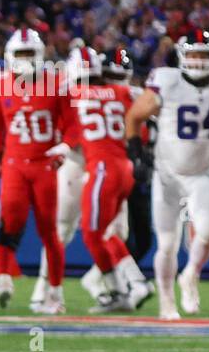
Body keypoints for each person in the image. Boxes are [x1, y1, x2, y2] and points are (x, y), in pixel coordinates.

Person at [126, 30, 209, 318]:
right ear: (182, 55)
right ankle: (166, 302)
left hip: (203, 171)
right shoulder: (167, 80)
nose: (198, 60)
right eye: (193, 54)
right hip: (167, 173)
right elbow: (135, 116)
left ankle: (190, 275)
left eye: (203, 54)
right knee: (166, 243)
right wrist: (136, 153)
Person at [0, 28, 72, 313]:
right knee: (10, 222)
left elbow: (72, 124)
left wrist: (66, 145)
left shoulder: (57, 83)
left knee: (49, 231)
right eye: (22, 54)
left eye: (31, 53)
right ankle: (4, 277)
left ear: (41, 55)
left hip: (44, 165)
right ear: (10, 56)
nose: (27, 59)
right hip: (14, 165)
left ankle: (55, 292)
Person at [65, 47, 152, 312]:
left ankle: (121, 289)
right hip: (124, 167)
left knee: (92, 234)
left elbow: (69, 138)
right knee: (105, 232)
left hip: (102, 168)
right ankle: (133, 283)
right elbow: (143, 131)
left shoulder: (73, 95)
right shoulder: (123, 92)